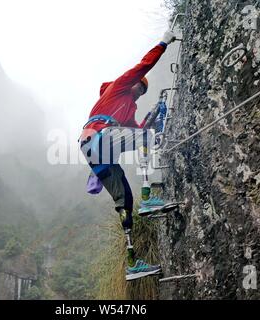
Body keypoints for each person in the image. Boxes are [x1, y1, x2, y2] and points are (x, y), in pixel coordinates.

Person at [79, 29, 177, 281]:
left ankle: (132, 263)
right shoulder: (117, 88)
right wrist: (163, 43)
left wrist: (153, 115)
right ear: (133, 83)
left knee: (124, 200)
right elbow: (143, 65)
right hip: (99, 135)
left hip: (96, 150)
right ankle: (148, 198)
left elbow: (139, 132)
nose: (140, 91)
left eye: (143, 91)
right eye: (140, 86)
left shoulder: (128, 110)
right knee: (144, 139)